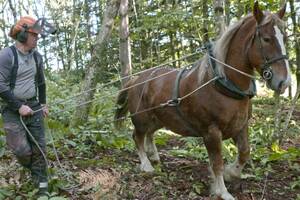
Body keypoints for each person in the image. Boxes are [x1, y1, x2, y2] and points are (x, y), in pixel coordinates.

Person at [0, 16, 50, 196]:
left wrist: (43, 104)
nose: (37, 38)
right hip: (12, 109)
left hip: (34, 106)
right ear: (22, 36)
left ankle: (42, 188)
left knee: (40, 149)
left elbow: (41, 83)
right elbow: (0, 84)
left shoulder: (37, 57)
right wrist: (18, 106)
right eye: (34, 35)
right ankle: (31, 169)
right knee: (21, 151)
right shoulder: (7, 55)